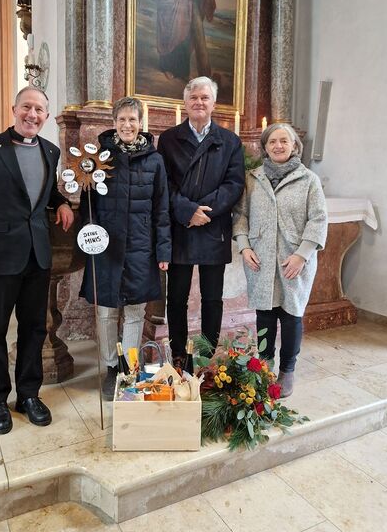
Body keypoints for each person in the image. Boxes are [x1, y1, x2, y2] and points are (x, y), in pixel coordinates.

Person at [0, 87, 74, 434]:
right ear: (14, 109)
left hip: (37, 255)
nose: (32, 115)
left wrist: (61, 203)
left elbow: (43, 191)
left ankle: (28, 395)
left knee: (35, 329)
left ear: (46, 116)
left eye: (39, 110)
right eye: (27, 107)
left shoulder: (50, 151)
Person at [79, 97, 171, 399]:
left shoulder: (155, 161)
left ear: (141, 123)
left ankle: (128, 367)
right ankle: (110, 367)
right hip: (106, 246)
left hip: (141, 248)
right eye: (122, 119)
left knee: (134, 312)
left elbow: (161, 209)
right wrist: (89, 233)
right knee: (106, 311)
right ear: (114, 123)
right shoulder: (99, 158)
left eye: (133, 119)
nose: (127, 125)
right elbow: (88, 203)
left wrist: (163, 251)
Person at [232, 123, 327, 397]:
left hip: (294, 260)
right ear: (265, 147)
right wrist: (244, 247)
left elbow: (319, 219)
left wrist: (302, 255)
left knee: (291, 315)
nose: (278, 146)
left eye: (284, 141)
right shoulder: (253, 178)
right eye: (272, 141)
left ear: (294, 145)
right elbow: (240, 215)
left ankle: (287, 370)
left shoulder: (308, 180)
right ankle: (264, 367)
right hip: (260, 258)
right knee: (265, 315)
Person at [157, 76, 244, 365]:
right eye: (193, 97)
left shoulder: (230, 141)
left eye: (204, 97)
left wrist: (203, 212)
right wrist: (186, 211)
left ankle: (206, 356)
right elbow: (164, 184)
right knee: (176, 298)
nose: (199, 102)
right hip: (181, 228)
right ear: (185, 103)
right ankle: (179, 354)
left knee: (212, 299)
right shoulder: (169, 139)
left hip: (212, 228)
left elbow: (234, 184)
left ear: (214, 104)